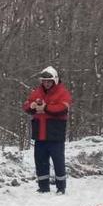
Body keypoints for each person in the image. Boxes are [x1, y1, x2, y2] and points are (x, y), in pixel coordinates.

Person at [24, 66, 72, 194]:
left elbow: (63, 108)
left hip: (55, 133)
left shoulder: (63, 92)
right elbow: (27, 105)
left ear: (55, 80)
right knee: (40, 161)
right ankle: (43, 186)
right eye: (44, 81)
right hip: (40, 133)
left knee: (58, 161)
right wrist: (32, 106)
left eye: (49, 81)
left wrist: (46, 108)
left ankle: (61, 187)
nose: (46, 83)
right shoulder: (37, 92)